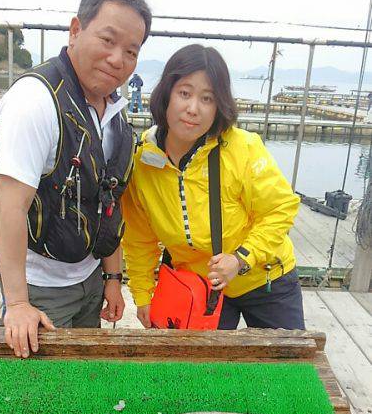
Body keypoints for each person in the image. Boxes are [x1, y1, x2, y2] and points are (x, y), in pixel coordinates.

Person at [0, 0, 152, 358]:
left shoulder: (114, 113)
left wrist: (112, 277)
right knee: (45, 389)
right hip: (36, 281)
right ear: (76, 30)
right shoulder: (35, 101)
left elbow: (110, 200)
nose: (117, 60)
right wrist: (17, 305)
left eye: (131, 51)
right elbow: (9, 207)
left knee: (80, 369)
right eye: (108, 40)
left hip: (89, 275)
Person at [122, 44, 305, 331]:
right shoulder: (144, 159)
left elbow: (280, 208)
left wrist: (241, 258)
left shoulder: (242, 148)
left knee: (286, 367)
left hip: (264, 277)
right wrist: (143, 294)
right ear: (166, 94)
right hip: (199, 286)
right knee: (201, 371)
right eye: (184, 93)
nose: (193, 108)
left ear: (219, 105)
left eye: (207, 98)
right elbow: (139, 237)